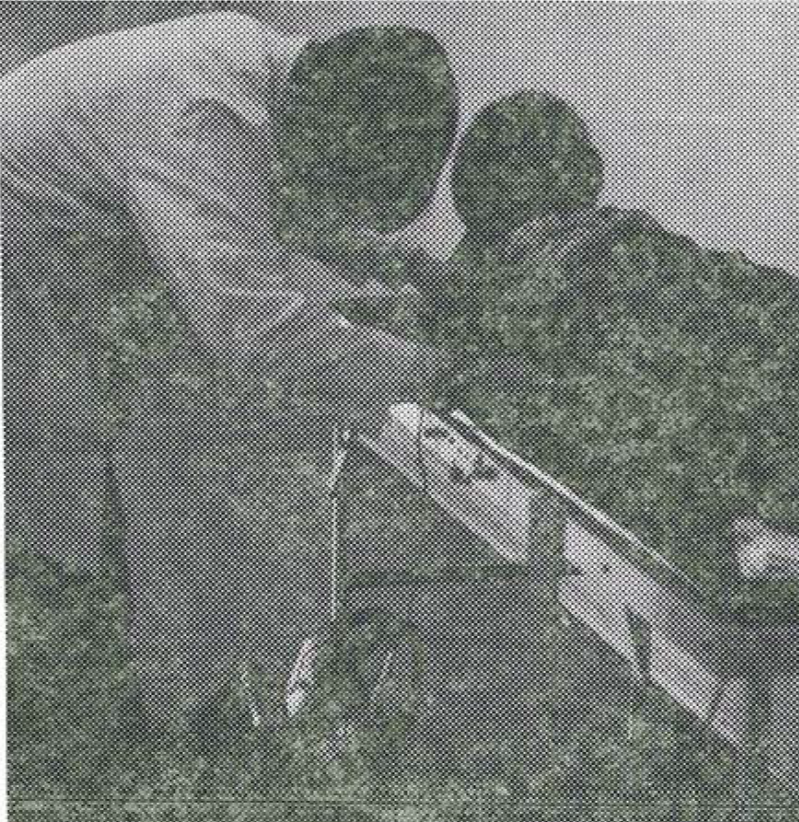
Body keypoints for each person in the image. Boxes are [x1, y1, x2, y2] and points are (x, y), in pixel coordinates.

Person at [1, 11, 457, 732]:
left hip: (60, 261)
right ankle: (104, 735)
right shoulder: (202, 120)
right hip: (20, 274)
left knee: (136, 501)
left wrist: (402, 277)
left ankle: (153, 705)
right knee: (68, 536)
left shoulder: (269, 73)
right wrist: (436, 369)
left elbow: (283, 214)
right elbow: (256, 332)